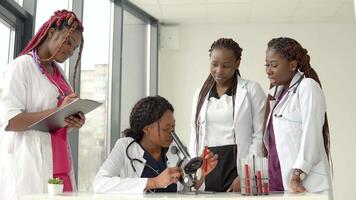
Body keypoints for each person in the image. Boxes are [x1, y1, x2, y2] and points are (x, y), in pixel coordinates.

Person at [0, 10, 85, 200]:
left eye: (75, 48)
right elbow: (11, 120)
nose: (71, 50)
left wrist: (72, 120)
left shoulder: (59, 74)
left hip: (61, 165)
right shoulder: (22, 66)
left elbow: (56, 121)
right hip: (32, 166)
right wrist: (59, 111)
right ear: (51, 32)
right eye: (69, 42)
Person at [93, 96, 218, 193]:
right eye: (166, 128)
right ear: (146, 129)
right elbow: (99, 184)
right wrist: (154, 182)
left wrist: (200, 174)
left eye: (173, 126)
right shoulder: (125, 146)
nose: (172, 133)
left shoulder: (177, 148)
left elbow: (188, 189)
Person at [189, 38, 266, 192]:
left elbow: (260, 136)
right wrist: (194, 175)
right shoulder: (200, 94)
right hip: (208, 166)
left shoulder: (251, 90)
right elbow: (194, 135)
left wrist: (247, 175)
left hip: (237, 167)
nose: (218, 70)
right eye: (214, 64)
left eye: (226, 66)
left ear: (237, 63)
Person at [263, 37, 333, 199]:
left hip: (302, 184)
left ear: (293, 65)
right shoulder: (277, 95)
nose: (268, 70)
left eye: (274, 65)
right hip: (278, 183)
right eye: (267, 65)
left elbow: (312, 135)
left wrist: (297, 175)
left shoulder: (307, 87)